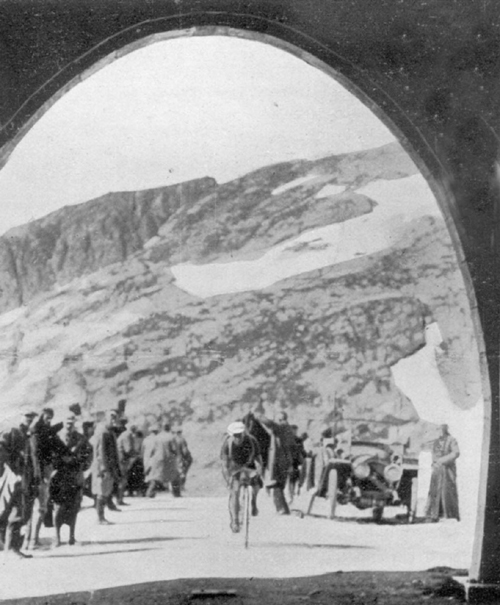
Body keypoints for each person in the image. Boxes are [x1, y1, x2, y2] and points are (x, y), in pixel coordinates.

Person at [0, 411, 38, 559]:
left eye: (31, 420)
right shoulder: (12, 431)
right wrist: (7, 471)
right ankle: (11, 548)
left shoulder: (29, 436)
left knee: (20, 513)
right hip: (11, 479)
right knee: (11, 512)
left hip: (23, 480)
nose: (29, 422)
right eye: (27, 420)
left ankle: (12, 547)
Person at [50, 414, 93, 546]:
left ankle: (71, 537)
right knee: (58, 507)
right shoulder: (56, 438)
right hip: (59, 476)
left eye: (71, 423)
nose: (69, 425)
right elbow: (50, 454)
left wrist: (78, 463)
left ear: (74, 424)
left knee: (74, 507)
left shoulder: (81, 439)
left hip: (75, 476)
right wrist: (60, 461)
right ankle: (57, 537)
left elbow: (88, 456)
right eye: (66, 422)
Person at [221, 421, 263, 534]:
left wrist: (259, 471)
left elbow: (259, 459)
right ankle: (235, 520)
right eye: (236, 435)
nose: (238, 437)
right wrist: (227, 480)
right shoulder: (227, 444)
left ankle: (253, 502)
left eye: (240, 434)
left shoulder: (252, 441)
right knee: (234, 492)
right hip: (235, 469)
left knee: (257, 485)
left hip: (249, 466)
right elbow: (224, 465)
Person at [258, 410, 295, 515]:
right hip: (286, 461)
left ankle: (281, 509)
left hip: (278, 461)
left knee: (276, 485)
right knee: (280, 486)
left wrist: (258, 415)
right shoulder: (288, 429)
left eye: (278, 419)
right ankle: (285, 509)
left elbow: (269, 423)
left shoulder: (281, 427)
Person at [90, 410, 121, 524]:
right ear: (106, 418)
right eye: (111, 417)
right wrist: (104, 468)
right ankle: (100, 518)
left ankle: (102, 516)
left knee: (105, 491)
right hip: (103, 468)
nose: (113, 420)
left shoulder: (109, 431)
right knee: (101, 492)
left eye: (115, 418)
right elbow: (101, 452)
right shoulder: (103, 431)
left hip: (109, 467)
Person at [425, 424, 460, 523]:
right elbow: (434, 454)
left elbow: (456, 453)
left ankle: (449, 515)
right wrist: (435, 462)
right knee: (434, 492)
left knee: (447, 492)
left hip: (448, 471)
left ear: (445, 429)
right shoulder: (436, 441)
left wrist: (443, 460)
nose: (439, 431)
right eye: (437, 429)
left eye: (440, 429)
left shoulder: (452, 440)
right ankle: (434, 515)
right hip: (437, 470)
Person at [143, 423, 180, 498]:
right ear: (169, 428)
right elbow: (174, 449)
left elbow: (152, 450)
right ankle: (176, 493)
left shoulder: (157, 437)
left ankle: (150, 493)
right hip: (169, 460)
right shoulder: (171, 437)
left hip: (157, 459)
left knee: (156, 477)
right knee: (175, 476)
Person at [116, 422, 139, 505]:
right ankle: (119, 499)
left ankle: (120, 499)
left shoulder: (126, 434)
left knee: (122, 480)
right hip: (122, 459)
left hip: (122, 458)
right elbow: (128, 449)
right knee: (123, 479)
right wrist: (136, 454)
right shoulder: (127, 435)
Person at [173, 426, 193, 491]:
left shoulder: (172, 439)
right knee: (182, 473)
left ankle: (175, 488)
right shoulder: (181, 439)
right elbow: (185, 451)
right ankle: (181, 487)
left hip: (173, 459)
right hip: (180, 458)